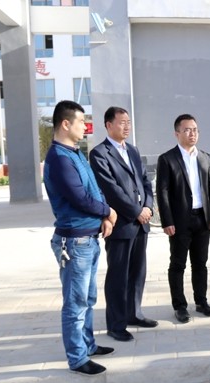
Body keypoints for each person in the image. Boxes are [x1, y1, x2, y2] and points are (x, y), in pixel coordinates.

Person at [43, 100, 117, 375]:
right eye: (81, 122)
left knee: (88, 298)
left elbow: (94, 189)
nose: (85, 127)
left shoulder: (74, 153)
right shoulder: (59, 159)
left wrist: (104, 217)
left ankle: (88, 345)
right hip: (74, 243)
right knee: (75, 303)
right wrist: (108, 211)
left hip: (88, 238)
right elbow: (79, 198)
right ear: (66, 124)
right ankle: (77, 358)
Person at [89, 107, 157, 342]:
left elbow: (146, 182)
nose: (127, 126)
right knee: (118, 276)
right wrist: (136, 212)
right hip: (121, 224)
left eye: (128, 122)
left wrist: (148, 207)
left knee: (138, 272)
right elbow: (111, 190)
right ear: (109, 125)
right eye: (122, 122)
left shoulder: (133, 150)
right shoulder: (100, 154)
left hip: (140, 223)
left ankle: (134, 314)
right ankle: (116, 324)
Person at [156, 114, 210, 323]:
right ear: (177, 133)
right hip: (179, 221)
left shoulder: (204, 157)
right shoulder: (167, 159)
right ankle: (180, 306)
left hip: (202, 218)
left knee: (200, 263)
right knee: (178, 264)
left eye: (195, 129)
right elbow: (162, 192)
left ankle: (201, 301)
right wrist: (167, 221)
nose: (192, 133)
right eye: (187, 130)